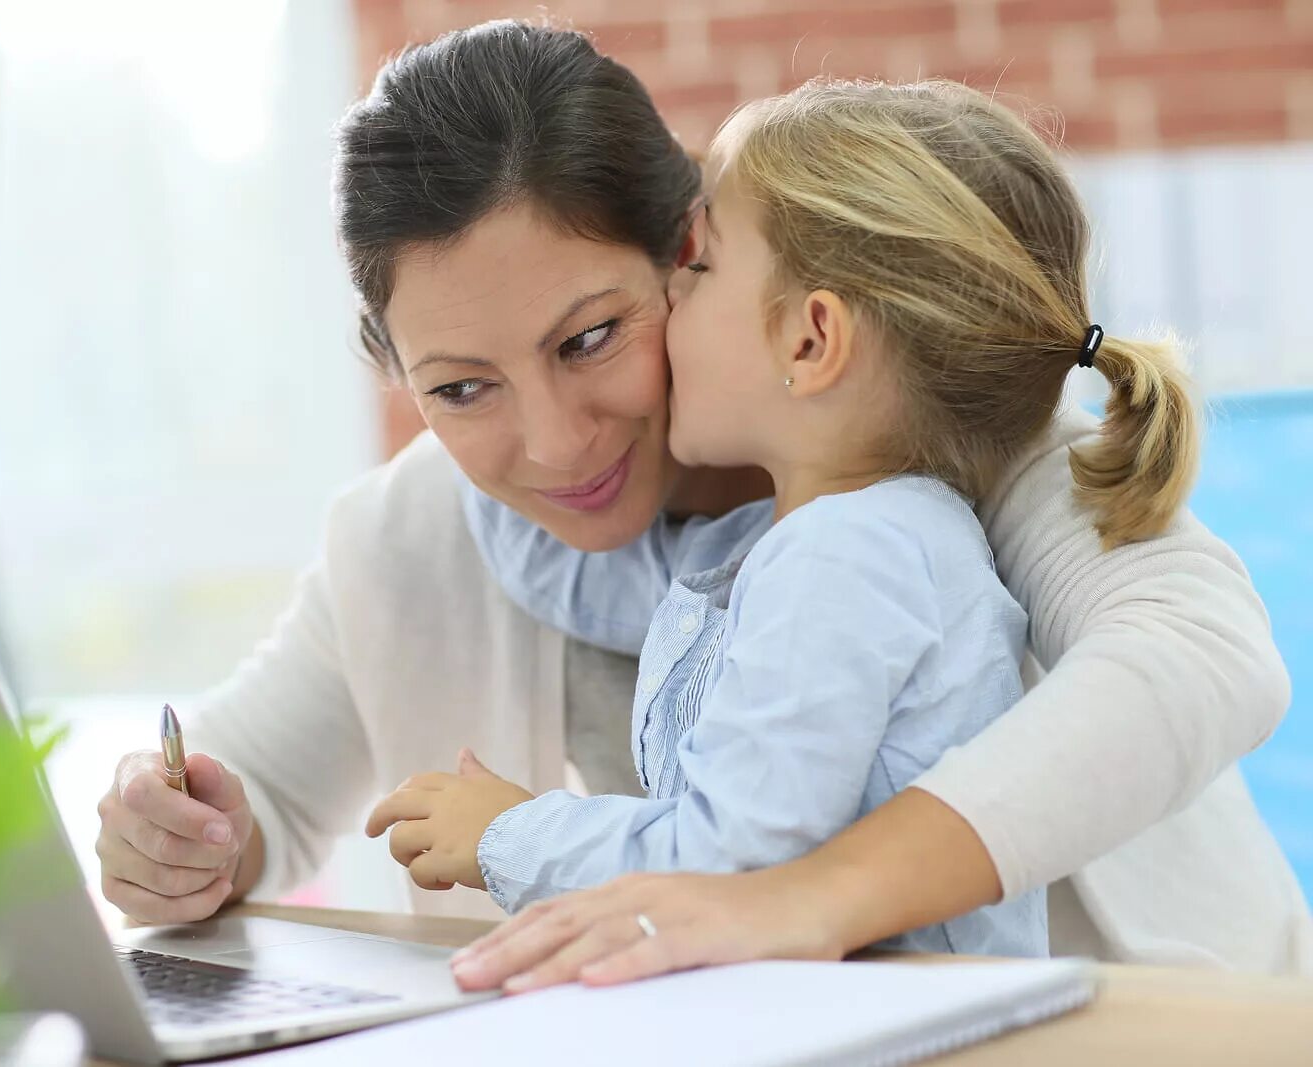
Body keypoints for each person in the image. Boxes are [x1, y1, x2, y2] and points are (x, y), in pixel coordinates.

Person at [90, 21, 1311, 977]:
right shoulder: (410, 533)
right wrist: (181, 840)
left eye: (588, 339)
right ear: (395, 373)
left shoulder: (949, 434)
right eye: (460, 387)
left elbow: (1200, 653)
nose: (555, 442)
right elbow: (251, 790)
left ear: (687, 252)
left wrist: (796, 894)